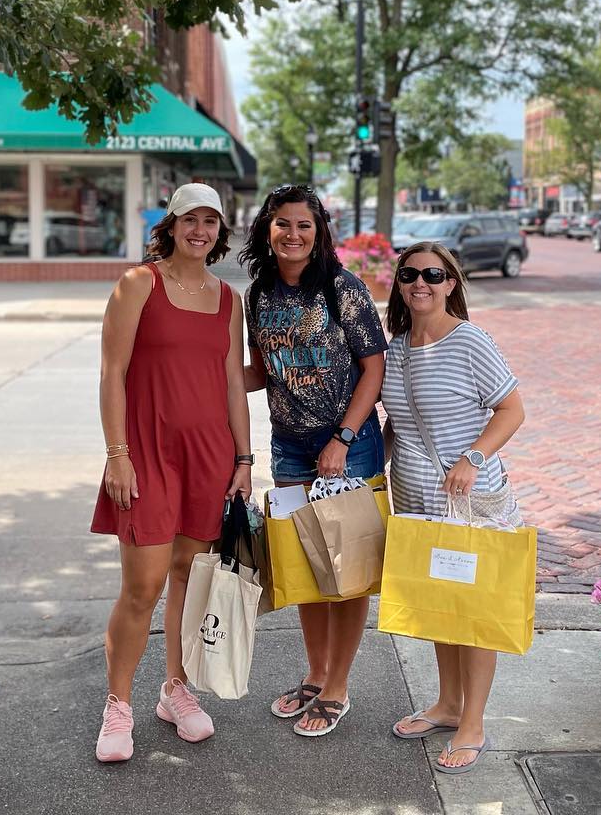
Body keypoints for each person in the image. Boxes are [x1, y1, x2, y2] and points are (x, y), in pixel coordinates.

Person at [91, 182, 253, 763]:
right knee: (143, 584)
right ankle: (118, 703)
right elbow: (112, 374)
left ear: (219, 232)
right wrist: (117, 453)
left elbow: (234, 382)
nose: (200, 230)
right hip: (147, 452)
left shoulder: (227, 297)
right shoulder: (139, 284)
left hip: (209, 456)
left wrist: (243, 457)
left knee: (188, 573)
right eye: (191, 219)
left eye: (211, 221)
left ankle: (175, 690)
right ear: (171, 224)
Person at [239, 184, 388, 738]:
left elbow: (373, 369)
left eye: (304, 225)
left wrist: (344, 438)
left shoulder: (342, 290)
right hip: (290, 448)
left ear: (319, 231)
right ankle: (316, 673)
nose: (293, 234)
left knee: (346, 571)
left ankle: (339, 687)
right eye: (283, 224)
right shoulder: (259, 294)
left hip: (347, 448)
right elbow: (263, 371)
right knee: (306, 564)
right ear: (267, 229)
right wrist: (205, 377)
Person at [380, 241, 526, 774]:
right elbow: (399, 419)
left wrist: (473, 455)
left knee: (475, 612)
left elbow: (512, 409)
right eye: (410, 274)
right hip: (415, 497)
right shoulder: (396, 348)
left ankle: (473, 723)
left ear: (451, 284)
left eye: (433, 275)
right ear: (398, 283)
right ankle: (447, 704)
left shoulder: (470, 342)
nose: (421, 283)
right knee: (439, 603)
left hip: (469, 500)